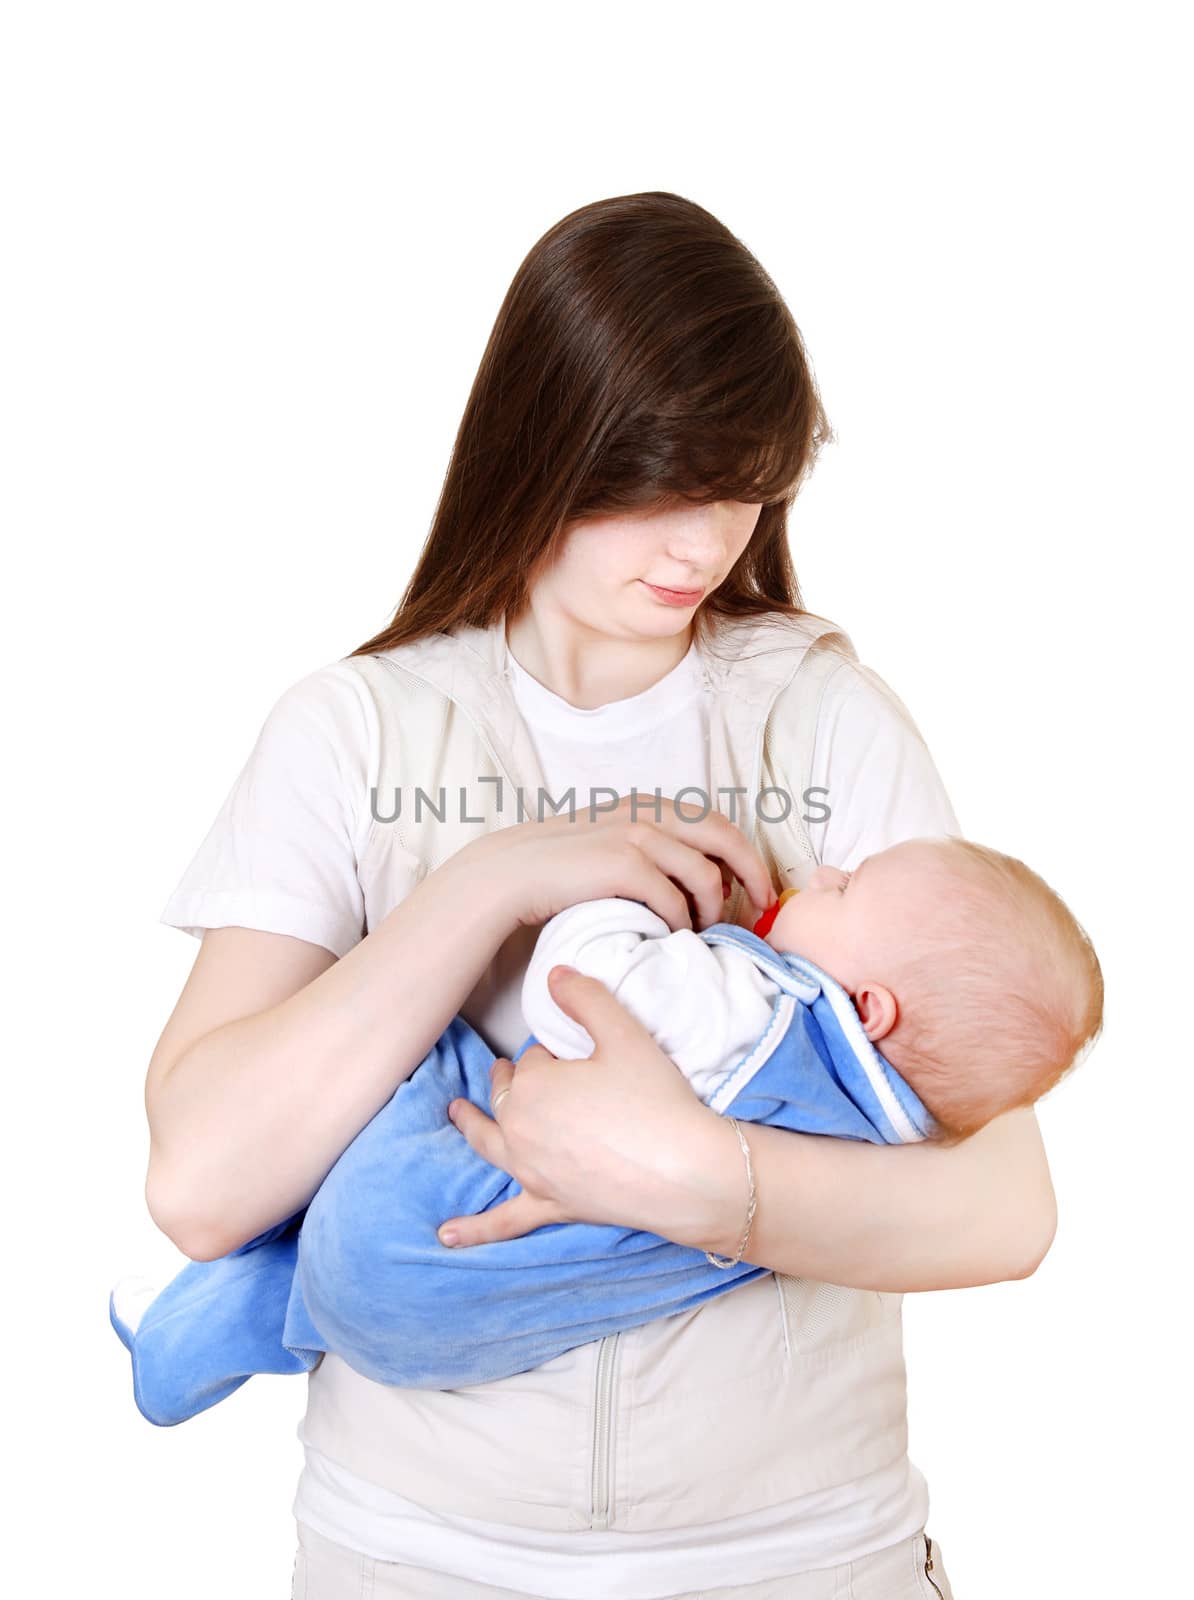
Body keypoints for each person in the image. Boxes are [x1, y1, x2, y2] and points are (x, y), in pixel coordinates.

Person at [141, 192, 1059, 1599]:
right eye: (661, 482)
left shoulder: (819, 718)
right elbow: (203, 1189)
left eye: (744, 486)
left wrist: (697, 1185)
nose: (702, 545)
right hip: (421, 1556)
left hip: (804, 1553)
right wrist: (488, 887)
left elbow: (1007, 1207)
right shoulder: (356, 731)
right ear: (543, 438)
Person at [114, 836, 1101, 1421]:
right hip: (452, 1333)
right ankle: (232, 1325)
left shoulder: (758, 1012)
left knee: (433, 1054)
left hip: (415, 1231)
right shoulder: (886, 1125)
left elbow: (574, 988)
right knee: (326, 1287)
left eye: (845, 889)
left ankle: (214, 1326)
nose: (825, 869)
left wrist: (612, 902)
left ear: (871, 1007)